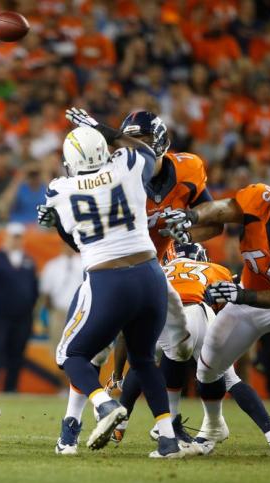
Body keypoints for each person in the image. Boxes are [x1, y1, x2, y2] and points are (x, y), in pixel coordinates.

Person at [51, 110, 223, 456]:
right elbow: (141, 152)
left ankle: (104, 406)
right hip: (152, 275)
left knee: (72, 353)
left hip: (108, 277)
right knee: (144, 358)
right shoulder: (128, 166)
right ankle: (167, 439)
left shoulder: (60, 188)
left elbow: (76, 241)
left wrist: (54, 218)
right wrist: (106, 129)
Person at [162, 172, 270, 459]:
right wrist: (192, 215)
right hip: (247, 297)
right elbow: (222, 209)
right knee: (207, 366)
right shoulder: (260, 199)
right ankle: (214, 424)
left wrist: (237, 295)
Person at [111, 243, 270, 455]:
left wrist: (116, 372)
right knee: (230, 379)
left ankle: (129, 427)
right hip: (203, 313)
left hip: (169, 316)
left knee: (143, 363)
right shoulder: (215, 269)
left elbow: (128, 324)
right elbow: (234, 300)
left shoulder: (157, 271)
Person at [0, 223, 38, 392]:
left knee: (17, 354)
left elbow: (34, 288)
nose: (16, 241)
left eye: (19, 237)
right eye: (14, 237)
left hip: (23, 316)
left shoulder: (28, 260)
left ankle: (10, 389)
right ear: (6, 237)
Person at [39, 243, 83, 358]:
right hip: (59, 312)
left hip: (80, 312)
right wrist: (50, 313)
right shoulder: (52, 265)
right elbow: (46, 292)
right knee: (58, 347)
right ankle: (58, 373)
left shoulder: (83, 263)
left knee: (78, 347)